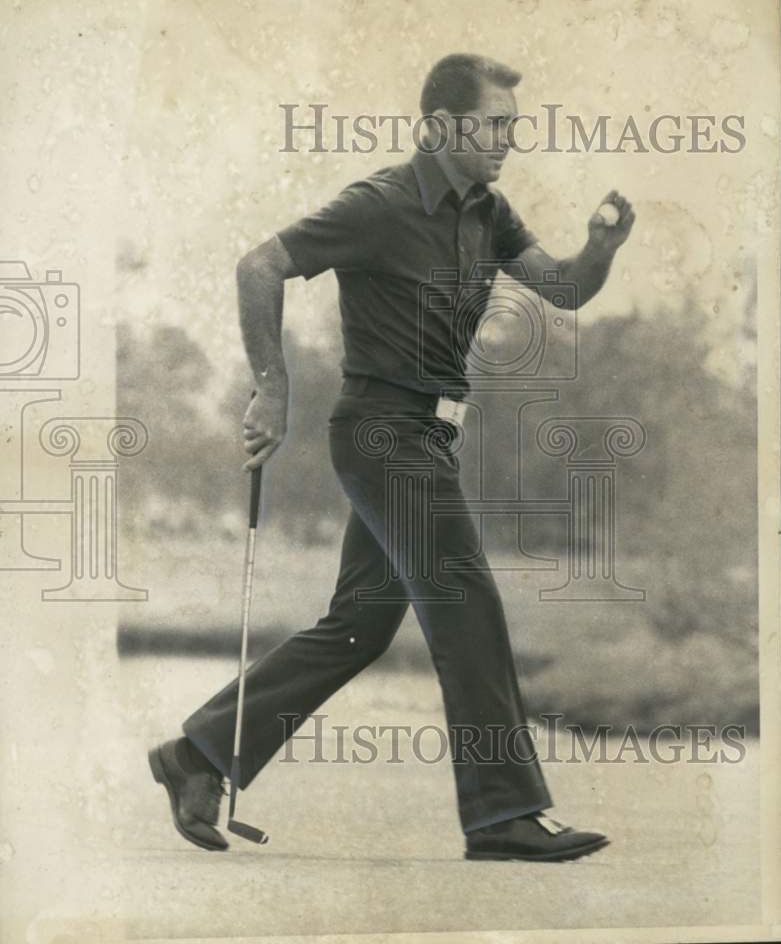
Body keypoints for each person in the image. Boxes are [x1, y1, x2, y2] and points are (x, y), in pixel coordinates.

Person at [148, 53, 635, 861]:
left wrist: (602, 247)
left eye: (513, 128)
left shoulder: (488, 210)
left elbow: (563, 289)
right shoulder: (377, 204)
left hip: (426, 438)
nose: (507, 141)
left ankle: (197, 754)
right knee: (466, 600)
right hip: (382, 433)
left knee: (359, 628)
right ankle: (501, 814)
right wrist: (273, 387)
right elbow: (260, 263)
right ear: (441, 127)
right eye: (492, 126)